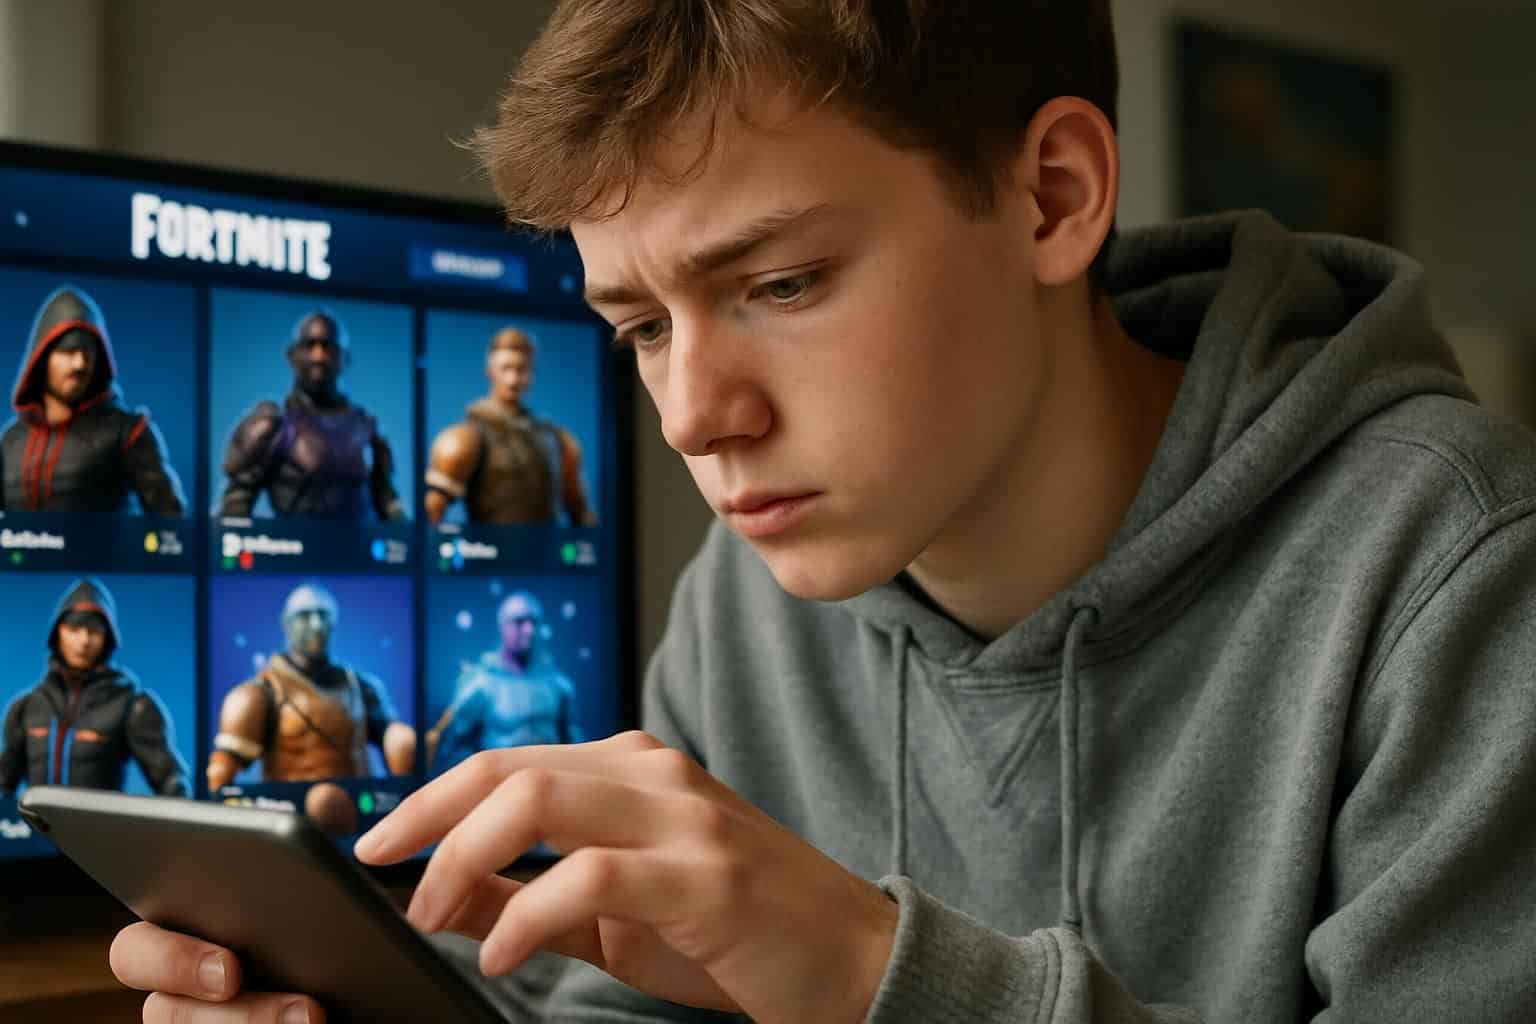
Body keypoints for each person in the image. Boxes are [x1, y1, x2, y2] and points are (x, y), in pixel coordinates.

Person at [110, 1, 1536, 1022]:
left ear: (1052, 196)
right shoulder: (745, 600)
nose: (690, 416)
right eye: (640, 328)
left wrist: (872, 977)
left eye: (780, 286)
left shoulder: (1460, 577)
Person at [205, 583, 415, 791]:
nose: (316, 624)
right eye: (305, 616)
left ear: (334, 622)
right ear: (286, 623)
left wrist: (404, 745)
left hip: (357, 813)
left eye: (323, 615)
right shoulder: (260, 693)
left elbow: (396, 744)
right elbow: (221, 773)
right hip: (292, 817)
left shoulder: (362, 687)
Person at [0, 285, 186, 517]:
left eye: (87, 353)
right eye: (68, 352)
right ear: (43, 356)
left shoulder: (127, 433)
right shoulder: (10, 441)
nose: (79, 364)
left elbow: (171, 525)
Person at [0, 578, 188, 798]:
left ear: (107, 638)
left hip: (99, 831)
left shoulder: (132, 706)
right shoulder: (26, 707)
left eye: (94, 631)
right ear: (58, 632)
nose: (84, 640)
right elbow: (4, 781)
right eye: (74, 628)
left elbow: (172, 781)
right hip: (36, 830)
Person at [216, 310, 406, 522]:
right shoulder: (269, 424)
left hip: (360, 551)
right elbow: (234, 509)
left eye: (328, 346)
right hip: (293, 551)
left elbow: (388, 502)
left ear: (345, 358)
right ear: (292, 355)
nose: (318, 356)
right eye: (310, 345)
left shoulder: (368, 428)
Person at [424, 326, 598, 526]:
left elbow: (582, 514)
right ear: (490, 371)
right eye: (505, 368)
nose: (513, 379)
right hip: (491, 553)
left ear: (531, 373)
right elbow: (432, 515)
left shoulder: (558, 440)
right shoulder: (464, 438)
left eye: (521, 369)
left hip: (547, 554)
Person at [426, 590, 585, 776]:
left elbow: (577, 748)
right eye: (520, 622)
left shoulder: (558, 686)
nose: (529, 630)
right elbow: (455, 750)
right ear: (503, 626)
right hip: (498, 788)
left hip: (552, 786)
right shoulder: (480, 684)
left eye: (534, 622)